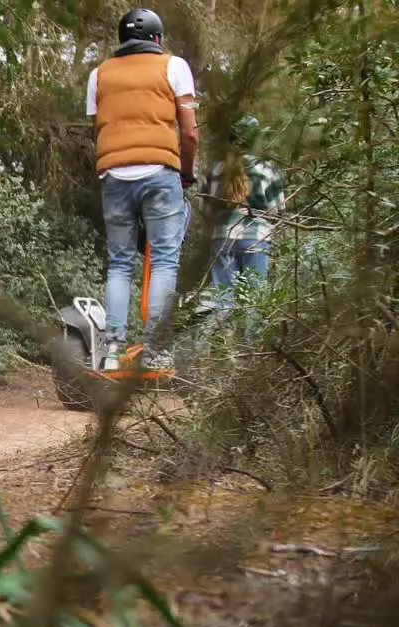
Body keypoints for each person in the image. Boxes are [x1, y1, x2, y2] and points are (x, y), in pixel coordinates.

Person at [85, 8, 199, 371]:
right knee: (164, 258)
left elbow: (98, 127)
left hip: (114, 175)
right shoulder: (174, 66)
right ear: (157, 39)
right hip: (160, 171)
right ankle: (155, 350)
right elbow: (191, 131)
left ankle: (112, 352)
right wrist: (186, 172)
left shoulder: (98, 74)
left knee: (119, 263)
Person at [202, 115, 285, 314]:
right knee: (254, 302)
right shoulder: (266, 170)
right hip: (255, 239)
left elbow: (206, 210)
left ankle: (224, 342)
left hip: (222, 238)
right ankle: (251, 345)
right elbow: (278, 211)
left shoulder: (217, 170)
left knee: (223, 301)